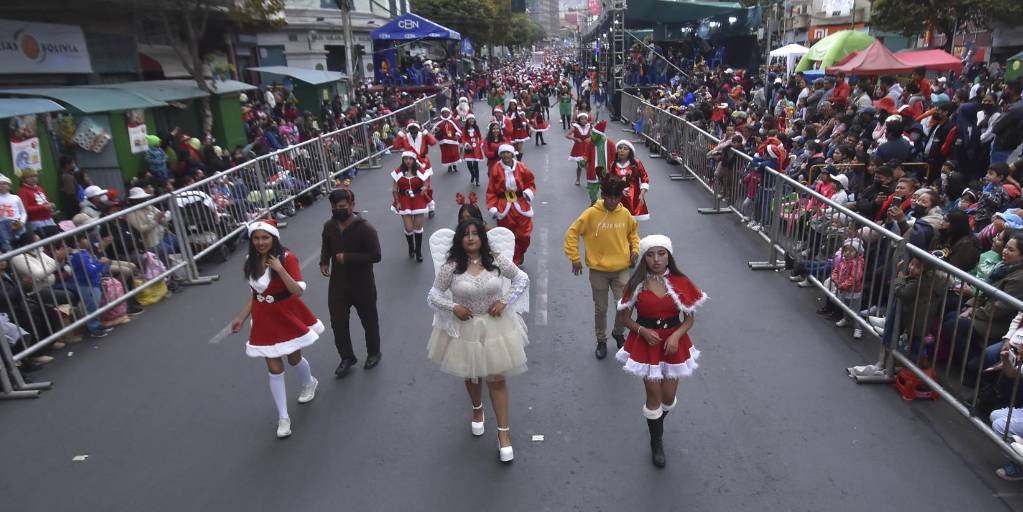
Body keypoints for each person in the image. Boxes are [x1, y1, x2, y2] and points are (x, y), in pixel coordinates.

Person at [427, 218, 530, 463]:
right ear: (460, 239)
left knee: (497, 380)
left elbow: (522, 279)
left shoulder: (495, 261)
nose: (471, 238)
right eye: (466, 234)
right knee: (472, 376)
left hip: (496, 328)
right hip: (466, 330)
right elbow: (432, 295)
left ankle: (503, 434)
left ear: (482, 239)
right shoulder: (451, 267)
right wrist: (454, 307)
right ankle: (477, 408)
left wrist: (505, 301)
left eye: (475, 233)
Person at [616, 234, 706, 468]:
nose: (656, 259)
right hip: (647, 345)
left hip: (674, 345)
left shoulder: (680, 281)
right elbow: (625, 318)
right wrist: (642, 330)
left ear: (669, 256)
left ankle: (656, 421)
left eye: (661, 253)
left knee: (667, 398)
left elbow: (689, 318)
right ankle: (656, 442)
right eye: (651, 254)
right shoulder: (636, 284)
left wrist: (676, 335)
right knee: (653, 396)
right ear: (644, 257)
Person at [229, 219, 322, 439]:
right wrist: (240, 318)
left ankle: (309, 382)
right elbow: (256, 295)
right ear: (251, 240)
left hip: (286, 314)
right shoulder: (249, 261)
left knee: (293, 358)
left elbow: (297, 291)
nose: (261, 242)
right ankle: (283, 417)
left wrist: (280, 270)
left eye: (265, 238)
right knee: (274, 367)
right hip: (264, 318)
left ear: (273, 238)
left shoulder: (287, 258)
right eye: (256, 238)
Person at [564, 179, 640, 359]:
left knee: (624, 305)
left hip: (621, 269)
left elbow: (633, 233)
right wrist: (575, 258)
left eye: (616, 197)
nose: (613, 201)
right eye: (609, 197)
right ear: (603, 195)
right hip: (598, 270)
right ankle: (601, 340)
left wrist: (635, 249)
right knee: (601, 309)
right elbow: (572, 233)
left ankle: (618, 332)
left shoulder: (626, 214)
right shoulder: (591, 214)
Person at [319, 189, 382, 377]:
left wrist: (347, 257)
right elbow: (326, 245)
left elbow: (376, 256)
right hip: (338, 284)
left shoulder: (365, 229)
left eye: (342, 207)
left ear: (352, 205)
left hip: (362, 284)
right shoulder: (329, 226)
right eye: (334, 207)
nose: (338, 210)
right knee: (338, 322)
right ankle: (347, 357)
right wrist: (323, 261)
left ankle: (374, 352)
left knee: (369, 321)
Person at [485, 145, 536, 265]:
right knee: (507, 236)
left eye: (508, 153)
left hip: (521, 205)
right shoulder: (496, 168)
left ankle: (520, 252)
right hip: (504, 207)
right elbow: (491, 190)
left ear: (512, 154)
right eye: (503, 153)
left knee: (524, 236)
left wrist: (528, 193)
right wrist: (493, 207)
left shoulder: (522, 167)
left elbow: (530, 182)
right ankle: (514, 260)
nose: (505, 155)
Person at [391, 152, 431, 262]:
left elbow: (426, 182)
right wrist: (397, 202)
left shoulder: (419, 170)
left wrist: (425, 188)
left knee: (417, 228)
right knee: (409, 228)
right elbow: (395, 189)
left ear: (414, 160)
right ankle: (410, 247)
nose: (408, 161)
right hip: (404, 200)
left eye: (410, 159)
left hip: (418, 200)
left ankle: (418, 251)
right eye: (405, 159)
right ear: (403, 160)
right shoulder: (398, 172)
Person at [609, 140, 651, 221]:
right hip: (618, 198)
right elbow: (610, 182)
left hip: (633, 198)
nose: (622, 151)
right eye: (620, 148)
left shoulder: (636, 163)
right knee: (618, 222)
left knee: (631, 223)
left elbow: (645, 178)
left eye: (625, 149)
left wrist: (642, 194)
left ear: (630, 151)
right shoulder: (613, 165)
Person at [16, 169, 57, 234]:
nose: (34, 179)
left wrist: (50, 206)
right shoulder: (23, 191)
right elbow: (25, 209)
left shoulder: (39, 188)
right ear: (24, 179)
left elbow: (45, 201)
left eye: (35, 176)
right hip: (36, 222)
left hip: (48, 218)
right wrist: (43, 207)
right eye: (30, 177)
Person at [0, 174, 30, 252]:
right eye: (0, 184)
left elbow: (23, 212)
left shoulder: (16, 198)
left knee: (23, 240)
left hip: (16, 222)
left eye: (4, 183)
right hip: (2, 225)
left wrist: (22, 222)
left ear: (9, 185)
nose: (2, 186)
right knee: (7, 244)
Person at [435, 107, 463, 174]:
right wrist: (437, 132)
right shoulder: (439, 121)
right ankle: (449, 166)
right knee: (446, 154)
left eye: (446, 112)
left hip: (453, 140)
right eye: (444, 112)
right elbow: (435, 130)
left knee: (454, 153)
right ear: (442, 113)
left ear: (449, 113)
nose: (445, 114)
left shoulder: (453, 120)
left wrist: (457, 135)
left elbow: (458, 128)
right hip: (444, 141)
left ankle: (455, 165)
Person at [460, 114, 485, 187]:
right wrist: (466, 144)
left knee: (475, 165)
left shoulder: (476, 128)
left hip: (476, 148)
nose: (471, 120)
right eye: (470, 119)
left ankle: (477, 180)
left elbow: (480, 137)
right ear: (467, 120)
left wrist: (480, 144)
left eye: (472, 119)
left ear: (474, 120)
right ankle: (472, 175)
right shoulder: (464, 129)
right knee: (469, 164)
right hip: (468, 148)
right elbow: (463, 138)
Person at [567, 113, 592, 186]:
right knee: (580, 165)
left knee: (587, 166)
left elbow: (592, 135)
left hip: (587, 148)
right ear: (579, 120)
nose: (584, 120)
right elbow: (567, 135)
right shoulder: (575, 127)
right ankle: (578, 179)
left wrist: (589, 138)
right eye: (582, 119)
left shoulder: (589, 126)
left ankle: (589, 180)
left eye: (585, 119)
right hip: (578, 148)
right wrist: (575, 138)